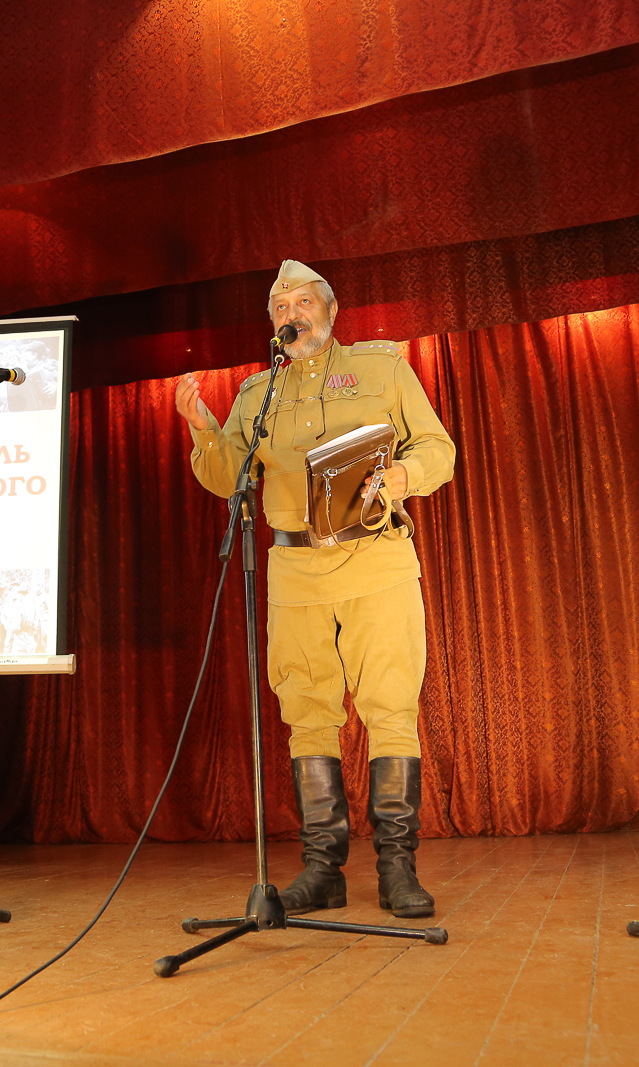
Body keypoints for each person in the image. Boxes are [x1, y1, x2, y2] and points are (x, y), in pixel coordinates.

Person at [174, 259, 456, 919]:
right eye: (280, 308)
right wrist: (202, 425)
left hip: (375, 556)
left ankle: (397, 868)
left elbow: (438, 449)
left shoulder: (382, 368)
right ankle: (323, 869)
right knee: (306, 711)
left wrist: (403, 476)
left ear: (330, 310)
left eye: (303, 302)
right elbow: (227, 477)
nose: (291, 315)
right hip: (294, 566)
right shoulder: (257, 393)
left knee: (389, 705)